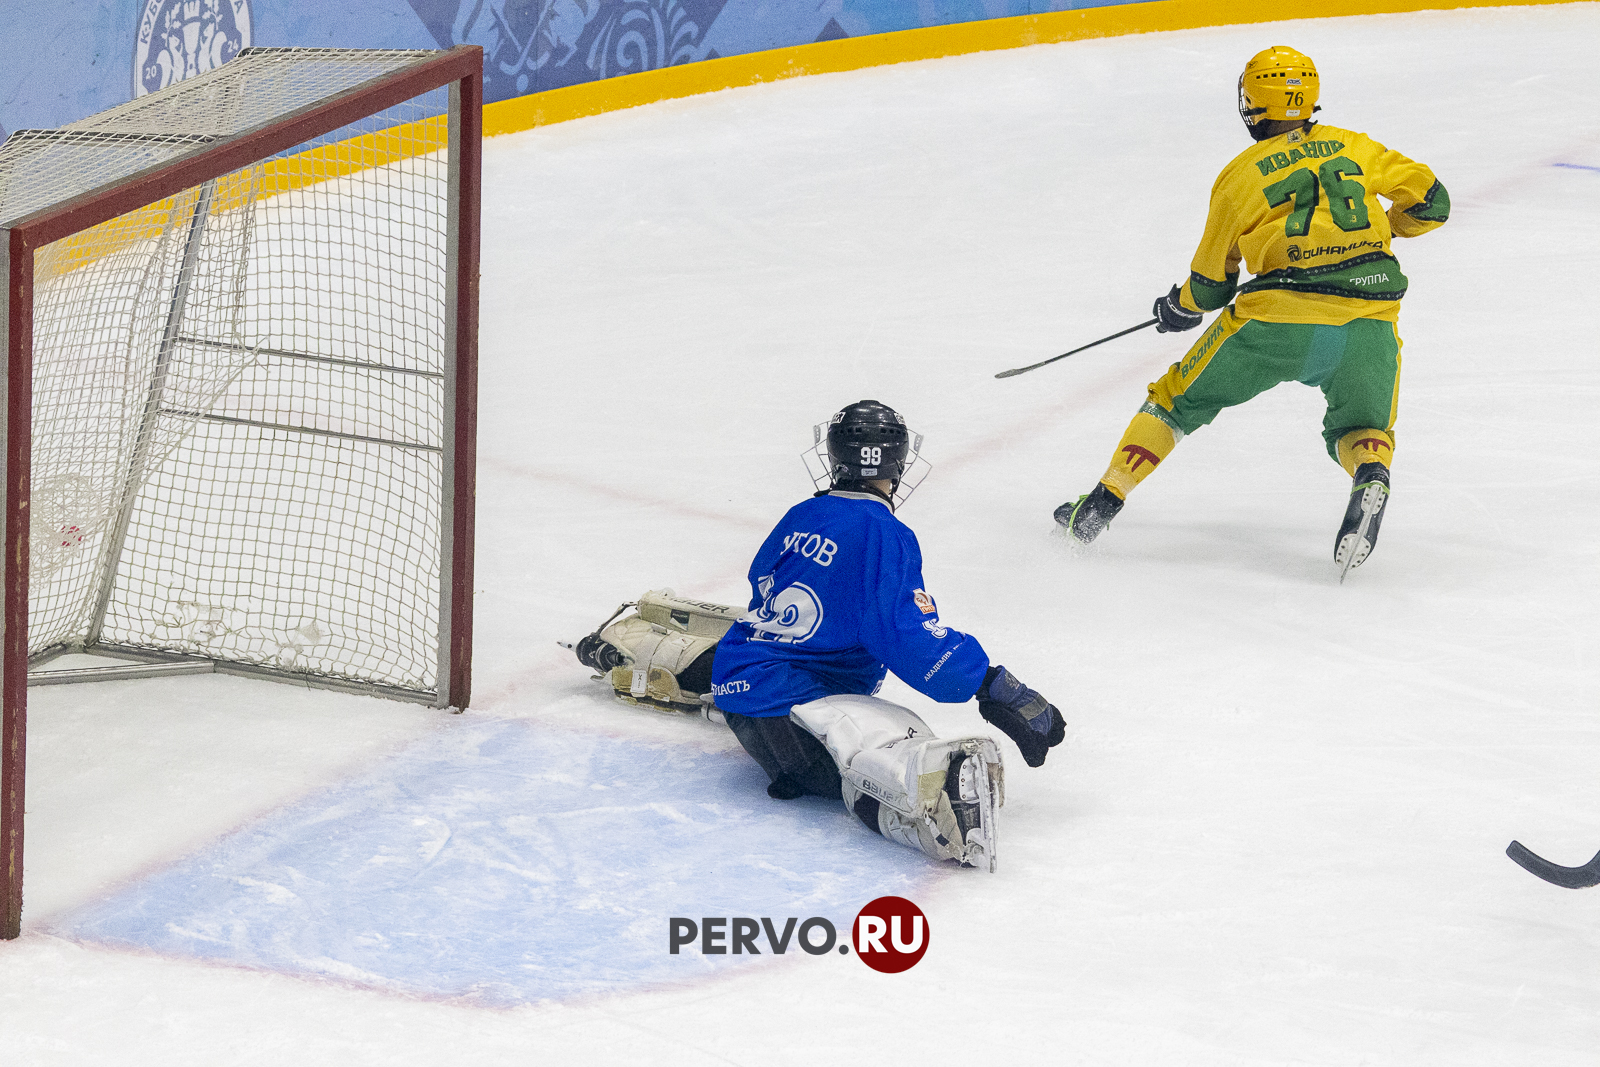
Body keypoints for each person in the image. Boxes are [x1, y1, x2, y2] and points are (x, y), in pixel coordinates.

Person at [571, 400, 1064, 872]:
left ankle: (658, 653)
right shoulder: (886, 533)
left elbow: (762, 584)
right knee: (885, 738)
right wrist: (989, 682)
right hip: (802, 717)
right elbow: (905, 636)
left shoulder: (802, 515)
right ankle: (932, 797)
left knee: (760, 643)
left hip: (744, 689)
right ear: (897, 460)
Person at [1056, 46, 1450, 574]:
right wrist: (1392, 227)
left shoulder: (1239, 176)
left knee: (1173, 404)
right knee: (1361, 426)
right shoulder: (1355, 146)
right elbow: (1433, 203)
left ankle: (1102, 502)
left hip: (1275, 322)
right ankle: (1371, 473)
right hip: (1368, 317)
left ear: (1254, 103)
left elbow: (1212, 285)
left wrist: (1178, 307)